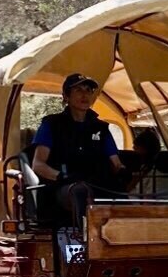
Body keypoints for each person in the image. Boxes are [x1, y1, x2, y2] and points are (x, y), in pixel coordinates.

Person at [32, 74, 130, 225]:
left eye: (88, 90)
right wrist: (62, 176)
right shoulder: (51, 125)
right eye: (78, 90)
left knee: (120, 193)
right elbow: (38, 165)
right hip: (64, 186)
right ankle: (86, 240)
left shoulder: (101, 128)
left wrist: (122, 171)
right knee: (80, 192)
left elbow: (116, 163)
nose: (85, 95)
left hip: (97, 183)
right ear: (66, 96)